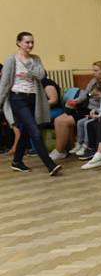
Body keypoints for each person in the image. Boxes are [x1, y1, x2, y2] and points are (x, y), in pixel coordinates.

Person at [0, 32, 62, 175]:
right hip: (18, 99)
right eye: (27, 42)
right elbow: (4, 84)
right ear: (19, 43)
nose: (30, 45)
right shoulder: (11, 60)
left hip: (33, 99)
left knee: (27, 130)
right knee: (34, 130)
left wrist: (29, 71)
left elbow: (41, 75)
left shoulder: (36, 59)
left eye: (32, 42)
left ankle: (17, 161)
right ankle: (50, 165)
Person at [50, 60, 101, 160]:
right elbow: (86, 93)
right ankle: (61, 149)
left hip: (95, 109)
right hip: (85, 107)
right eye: (93, 70)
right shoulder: (93, 81)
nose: (93, 73)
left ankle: (61, 150)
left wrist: (96, 95)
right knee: (58, 119)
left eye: (96, 70)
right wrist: (78, 100)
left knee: (62, 121)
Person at [74, 81, 101, 159]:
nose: (96, 97)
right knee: (85, 123)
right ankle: (85, 146)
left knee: (89, 124)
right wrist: (96, 110)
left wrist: (99, 114)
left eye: (97, 94)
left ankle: (90, 147)